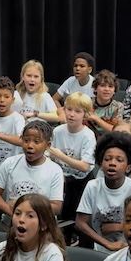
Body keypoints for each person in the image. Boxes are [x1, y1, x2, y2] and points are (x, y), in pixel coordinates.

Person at [75, 131, 131, 250]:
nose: (112, 163)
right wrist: (107, 244)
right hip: (99, 249)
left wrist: (120, 227)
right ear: (101, 164)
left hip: (129, 249)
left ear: (128, 167)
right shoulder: (92, 186)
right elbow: (80, 223)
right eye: (107, 159)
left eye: (119, 160)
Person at [0, 121, 64, 221]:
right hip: (10, 224)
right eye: (26, 140)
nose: (30, 145)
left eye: (36, 142)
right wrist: (12, 212)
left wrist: (24, 208)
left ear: (48, 145)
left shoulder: (55, 170)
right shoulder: (10, 163)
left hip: (40, 228)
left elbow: (56, 207)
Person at [48, 92, 97, 220]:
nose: (71, 114)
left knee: (75, 216)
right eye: (69, 109)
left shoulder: (88, 135)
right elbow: (50, 156)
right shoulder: (58, 131)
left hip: (81, 182)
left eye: (77, 111)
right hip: (62, 179)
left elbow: (85, 166)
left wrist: (61, 156)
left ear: (85, 114)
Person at [86, 70, 124, 136]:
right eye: (103, 85)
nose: (107, 89)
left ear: (114, 91)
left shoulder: (118, 106)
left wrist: (96, 119)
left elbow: (117, 130)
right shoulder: (87, 102)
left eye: (110, 86)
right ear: (95, 88)